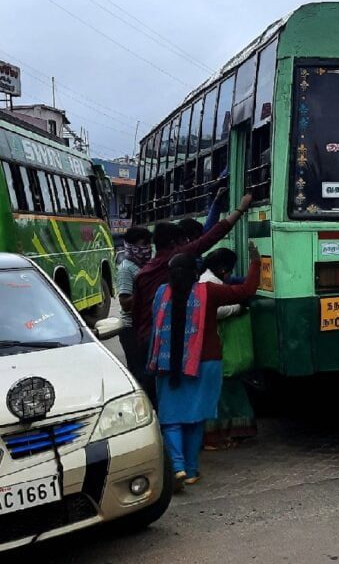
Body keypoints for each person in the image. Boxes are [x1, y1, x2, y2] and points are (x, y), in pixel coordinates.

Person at [149, 241, 261, 489]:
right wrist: (256, 263)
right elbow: (246, 290)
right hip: (206, 364)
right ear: (194, 273)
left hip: (168, 365)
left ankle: (177, 466)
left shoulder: (161, 293)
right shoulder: (207, 291)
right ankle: (190, 470)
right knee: (196, 418)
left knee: (172, 419)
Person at [133, 191, 253, 362]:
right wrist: (240, 209)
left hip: (148, 338)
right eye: (184, 242)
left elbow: (136, 314)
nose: (188, 245)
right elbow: (210, 236)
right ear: (175, 243)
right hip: (170, 337)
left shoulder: (143, 274)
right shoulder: (179, 261)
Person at [200, 247, 257, 450]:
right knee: (227, 390)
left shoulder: (207, 279)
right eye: (230, 271)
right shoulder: (209, 284)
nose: (230, 275)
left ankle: (225, 433)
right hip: (214, 349)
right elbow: (216, 311)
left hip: (212, 350)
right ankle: (232, 432)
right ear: (223, 269)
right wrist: (238, 308)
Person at [114, 225, 152, 384]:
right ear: (131, 245)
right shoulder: (126, 269)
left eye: (148, 244)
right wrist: (147, 290)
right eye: (143, 244)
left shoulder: (145, 265)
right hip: (131, 329)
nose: (147, 248)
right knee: (139, 374)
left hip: (145, 325)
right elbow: (125, 303)